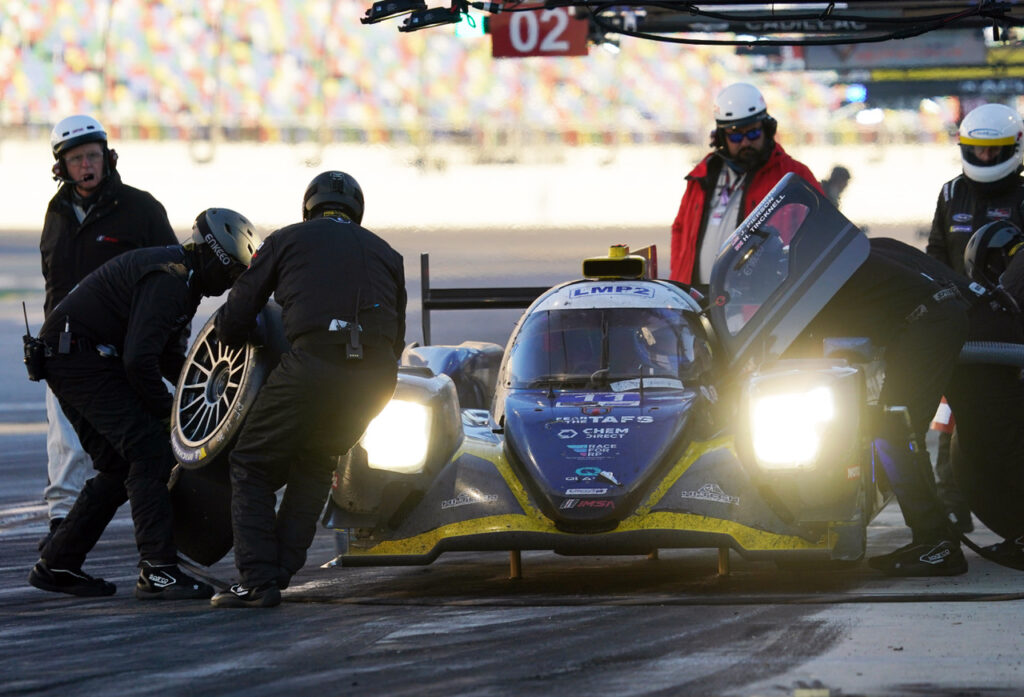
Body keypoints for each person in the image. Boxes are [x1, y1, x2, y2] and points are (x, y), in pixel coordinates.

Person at [27, 208, 261, 599]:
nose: (232, 284)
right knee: (150, 450)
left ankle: (57, 561)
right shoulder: (170, 278)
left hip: (71, 355)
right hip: (79, 357)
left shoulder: (181, 281)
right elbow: (139, 360)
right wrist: (168, 412)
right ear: (214, 259)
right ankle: (158, 571)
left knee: (119, 466)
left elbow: (169, 358)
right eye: (232, 273)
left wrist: (191, 396)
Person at [211, 170, 406, 608]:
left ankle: (257, 580)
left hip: (316, 361)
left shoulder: (285, 239)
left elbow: (240, 309)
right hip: (377, 377)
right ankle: (277, 573)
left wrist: (232, 336)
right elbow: (396, 340)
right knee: (316, 462)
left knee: (251, 461)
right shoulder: (388, 254)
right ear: (356, 211)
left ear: (309, 206)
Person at [792, 238, 972, 576]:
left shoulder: (815, 278)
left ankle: (936, 544)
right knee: (896, 430)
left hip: (929, 326)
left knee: (892, 431)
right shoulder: (845, 254)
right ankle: (938, 538)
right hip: (934, 320)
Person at [39, 115, 177, 548]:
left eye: (93, 156)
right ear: (61, 167)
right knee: (64, 439)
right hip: (64, 348)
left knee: (141, 444)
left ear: (108, 157)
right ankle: (62, 522)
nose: (87, 166)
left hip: (124, 348)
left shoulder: (143, 208)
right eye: (77, 159)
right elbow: (53, 280)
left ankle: (163, 526)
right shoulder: (56, 212)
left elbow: (172, 273)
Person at [925, 102, 1024, 533]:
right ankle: (950, 503)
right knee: (951, 410)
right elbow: (934, 253)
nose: (984, 159)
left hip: (1012, 326)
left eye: (994, 151)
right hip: (960, 320)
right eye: (977, 151)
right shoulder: (950, 194)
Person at [669, 82, 823, 289]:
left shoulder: (794, 175)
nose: (745, 143)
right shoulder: (701, 176)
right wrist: (679, 280)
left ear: (767, 129)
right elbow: (680, 230)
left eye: (752, 133)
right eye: (735, 135)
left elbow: (822, 231)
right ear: (721, 137)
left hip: (762, 304)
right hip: (697, 298)